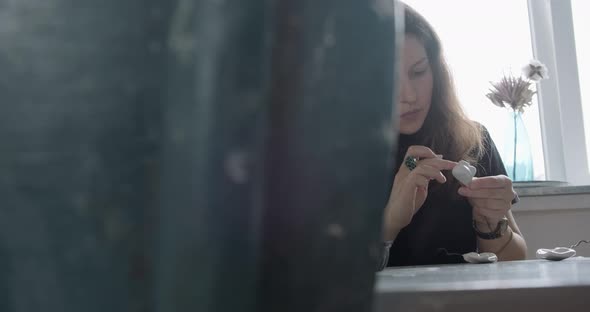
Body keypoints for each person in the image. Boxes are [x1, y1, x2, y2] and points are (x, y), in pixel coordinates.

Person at [379, 3, 527, 269]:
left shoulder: (472, 140)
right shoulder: (336, 156)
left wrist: (490, 225)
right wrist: (389, 223)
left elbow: (516, 261)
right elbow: (325, 281)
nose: (409, 96)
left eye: (419, 72)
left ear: (436, 69)